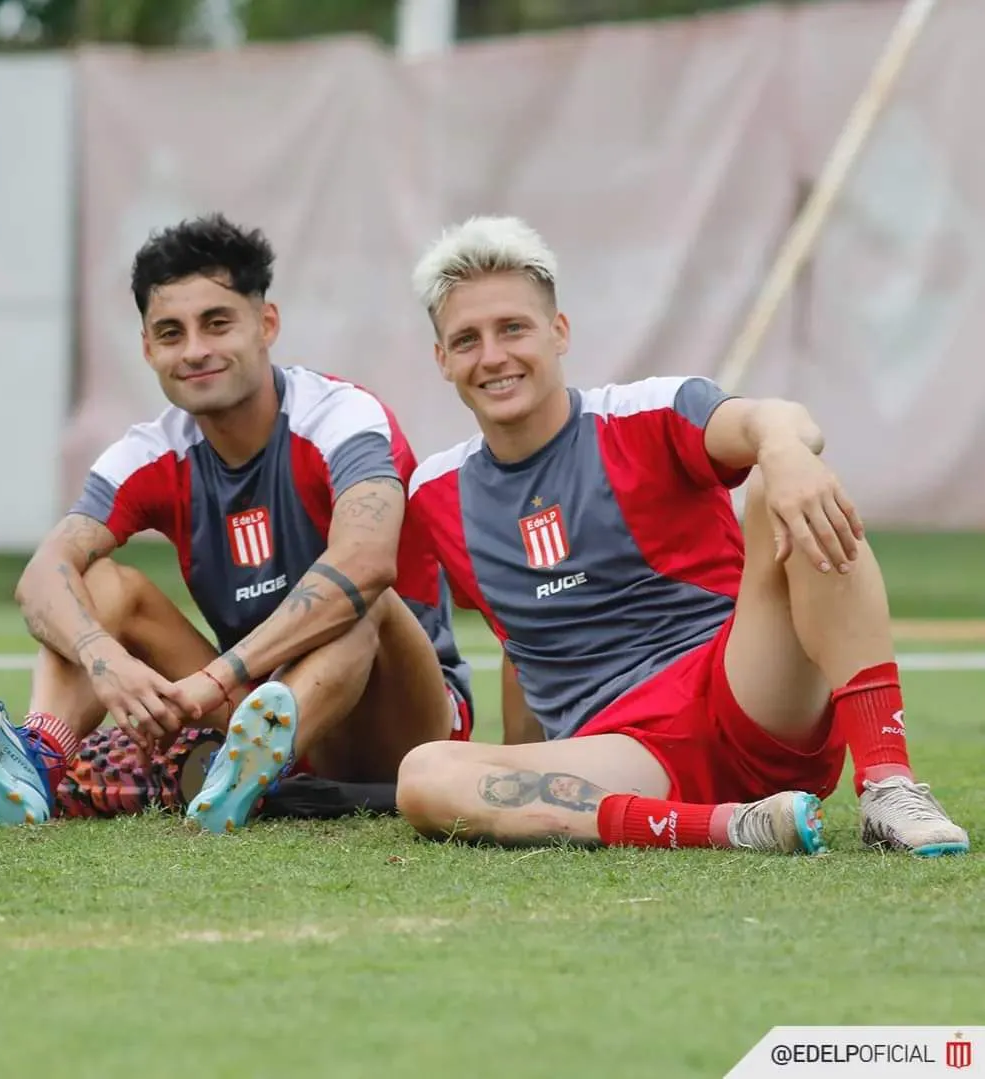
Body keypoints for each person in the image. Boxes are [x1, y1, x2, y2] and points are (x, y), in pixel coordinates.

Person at [394, 214, 969, 857]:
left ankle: (890, 785)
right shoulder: (435, 493)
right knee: (424, 776)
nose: (493, 356)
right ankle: (736, 829)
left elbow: (774, 418)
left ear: (559, 333)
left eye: (513, 329)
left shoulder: (650, 410)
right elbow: (519, 642)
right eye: (466, 339)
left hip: (744, 698)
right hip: (622, 758)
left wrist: (783, 448)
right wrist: (516, 766)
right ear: (442, 360)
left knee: (794, 488)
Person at [0, 213, 473, 833]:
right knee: (101, 583)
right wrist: (107, 661)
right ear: (148, 349)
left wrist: (214, 679)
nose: (194, 351)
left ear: (266, 325)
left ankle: (225, 765)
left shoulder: (341, 416)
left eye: (217, 324)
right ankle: (41, 756)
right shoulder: (149, 452)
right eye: (170, 332)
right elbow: (40, 579)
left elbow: (367, 561)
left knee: (358, 596)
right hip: (256, 720)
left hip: (410, 730)